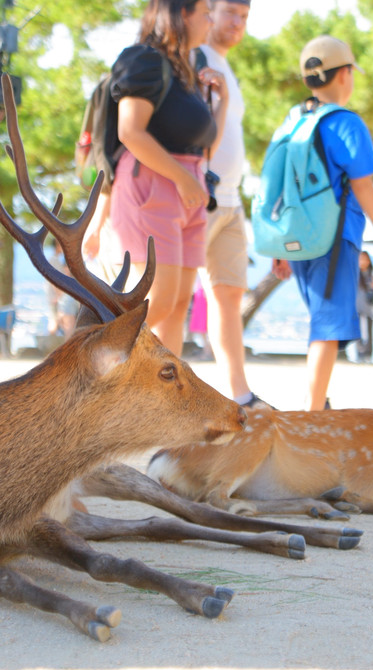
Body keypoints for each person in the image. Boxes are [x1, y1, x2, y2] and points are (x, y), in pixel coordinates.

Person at [271, 35, 373, 410]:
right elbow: (362, 185)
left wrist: (278, 247)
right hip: (334, 236)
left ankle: (316, 404)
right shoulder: (346, 123)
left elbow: (276, 183)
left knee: (322, 321)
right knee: (326, 326)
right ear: (344, 74)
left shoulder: (293, 120)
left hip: (297, 238)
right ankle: (312, 415)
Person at [107, 0, 228, 356]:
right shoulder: (144, 60)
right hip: (154, 184)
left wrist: (224, 100)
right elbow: (130, 131)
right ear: (181, 14)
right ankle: (96, 385)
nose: (211, 20)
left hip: (188, 188)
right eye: (205, 12)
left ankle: (164, 408)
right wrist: (182, 178)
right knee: (153, 305)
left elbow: (204, 147)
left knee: (176, 307)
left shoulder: (186, 72)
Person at [197, 0, 269, 408]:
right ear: (209, 10)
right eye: (231, 13)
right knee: (164, 300)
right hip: (200, 198)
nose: (238, 23)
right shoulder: (196, 58)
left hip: (231, 199)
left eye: (244, 17)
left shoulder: (226, 64)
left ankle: (239, 396)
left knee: (227, 298)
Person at [346, 250, 373, 362]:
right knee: (358, 331)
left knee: (369, 331)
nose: (363, 261)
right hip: (357, 306)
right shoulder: (354, 274)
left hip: (369, 308)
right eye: (361, 259)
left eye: (365, 259)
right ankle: (359, 353)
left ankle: (368, 354)